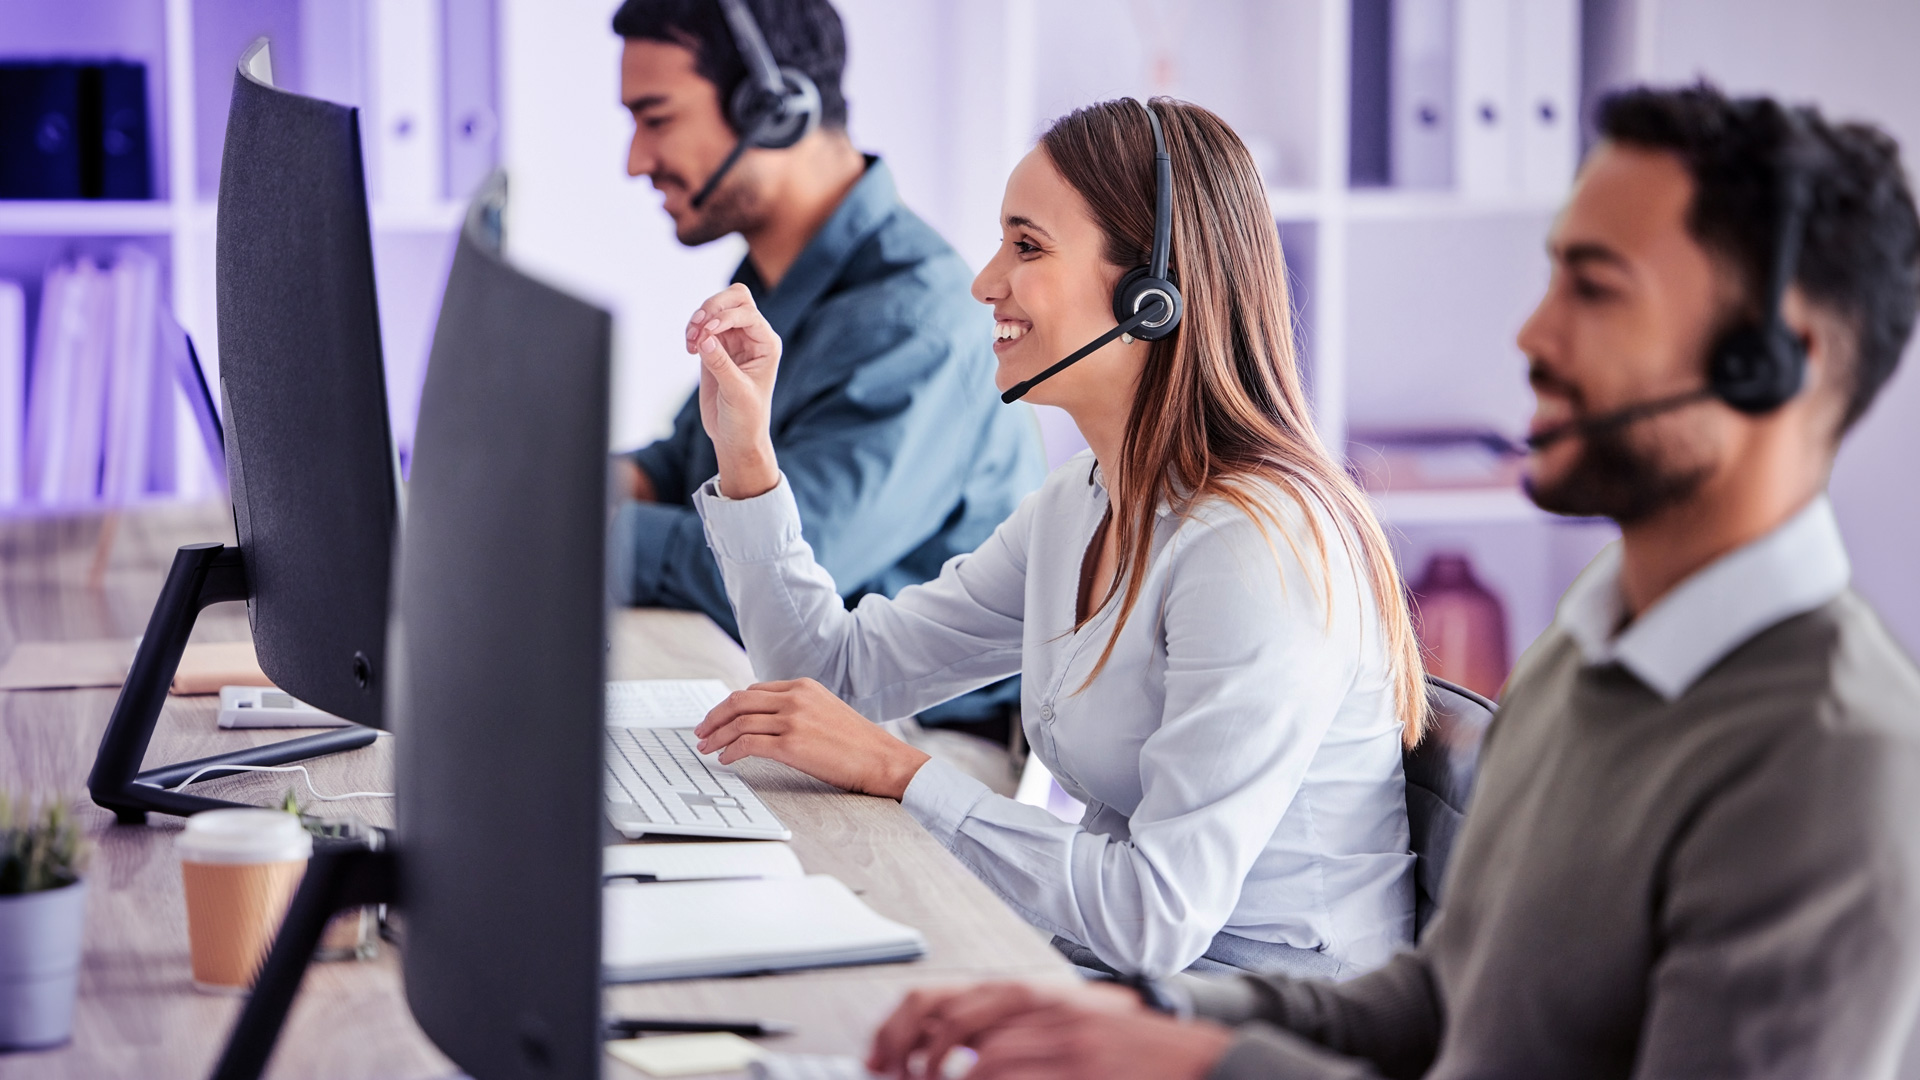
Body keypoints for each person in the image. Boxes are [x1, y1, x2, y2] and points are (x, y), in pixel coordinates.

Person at [861, 83, 1920, 1080]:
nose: (1532, 334)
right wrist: (1151, 1016)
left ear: (1772, 361)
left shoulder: (1829, 758)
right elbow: (1445, 1001)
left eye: (1595, 289)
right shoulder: (1591, 651)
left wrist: (1211, 1063)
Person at [682, 97, 1428, 979]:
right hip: (1116, 979)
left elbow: (1158, 918)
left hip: (1256, 1020)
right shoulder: (1082, 503)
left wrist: (902, 772)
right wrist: (746, 454)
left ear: (1152, 296)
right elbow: (834, 671)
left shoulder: (1254, 549)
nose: (983, 280)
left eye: (1027, 247)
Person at [607, 0, 1044, 731]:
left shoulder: (916, 327)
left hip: (924, 736)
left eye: (657, 118)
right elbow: (679, 467)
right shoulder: (784, 279)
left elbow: (753, 574)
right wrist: (533, 484)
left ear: (773, 108)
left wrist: (542, 527)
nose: (636, 160)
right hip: (798, 691)